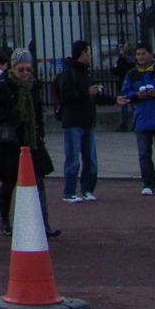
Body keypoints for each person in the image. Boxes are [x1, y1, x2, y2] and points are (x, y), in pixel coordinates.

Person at [0, 49, 60, 238]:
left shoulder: (33, 85)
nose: (25, 73)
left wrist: (40, 132)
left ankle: (44, 222)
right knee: (9, 182)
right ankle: (5, 220)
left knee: (39, 179)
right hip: (10, 142)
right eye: (20, 70)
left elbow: (38, 111)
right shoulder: (4, 86)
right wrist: (10, 115)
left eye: (27, 69)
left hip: (31, 139)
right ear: (13, 69)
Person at [55, 40, 115, 203]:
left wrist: (115, 100)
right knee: (73, 159)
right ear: (83, 53)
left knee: (90, 160)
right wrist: (85, 92)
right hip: (73, 120)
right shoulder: (69, 72)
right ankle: (69, 192)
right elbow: (65, 96)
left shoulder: (87, 72)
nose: (90, 56)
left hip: (88, 120)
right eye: (89, 52)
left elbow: (96, 97)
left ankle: (87, 189)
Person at [118, 42, 155, 194]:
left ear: (151, 55)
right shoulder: (132, 74)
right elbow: (126, 93)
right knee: (144, 154)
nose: (140, 57)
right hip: (142, 118)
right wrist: (136, 95)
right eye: (138, 54)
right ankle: (148, 184)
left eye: (143, 54)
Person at [112, 43, 137, 131]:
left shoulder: (121, 59)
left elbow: (115, 71)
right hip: (133, 84)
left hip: (123, 83)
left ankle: (124, 125)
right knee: (134, 105)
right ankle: (135, 124)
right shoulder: (135, 60)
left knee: (124, 105)